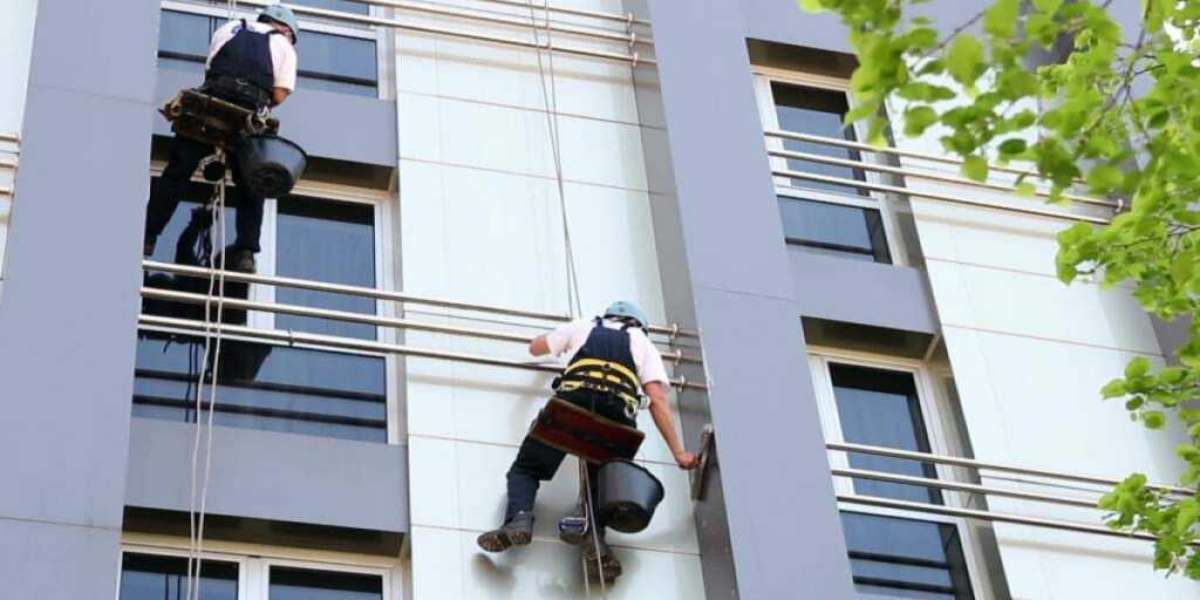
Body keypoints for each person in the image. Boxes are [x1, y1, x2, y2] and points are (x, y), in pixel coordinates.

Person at [477, 301, 699, 582]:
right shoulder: (643, 343)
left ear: (609, 316)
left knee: (527, 469)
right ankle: (595, 539)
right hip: (617, 422)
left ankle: (519, 518)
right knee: (605, 483)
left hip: (571, 408)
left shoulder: (584, 325)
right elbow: (657, 400)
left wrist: (548, 344)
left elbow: (536, 348)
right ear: (638, 324)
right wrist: (678, 452)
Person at [143, 5, 300, 273]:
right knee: (252, 184)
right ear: (285, 29)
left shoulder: (229, 28)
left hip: (208, 107)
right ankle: (246, 251)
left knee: (177, 172)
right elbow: (279, 94)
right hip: (247, 116)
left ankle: (148, 234)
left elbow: (211, 69)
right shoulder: (284, 45)